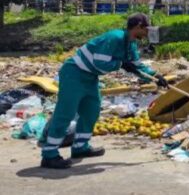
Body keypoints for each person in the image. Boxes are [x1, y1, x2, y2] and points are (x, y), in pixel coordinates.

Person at [40, 13, 168, 169]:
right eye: (146, 29)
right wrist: (121, 64)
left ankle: (80, 147)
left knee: (91, 110)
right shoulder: (114, 37)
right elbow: (100, 63)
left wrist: (155, 76)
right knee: (66, 112)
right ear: (138, 26)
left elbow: (137, 67)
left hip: (90, 77)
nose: (147, 33)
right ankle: (49, 154)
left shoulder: (131, 44)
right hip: (74, 73)